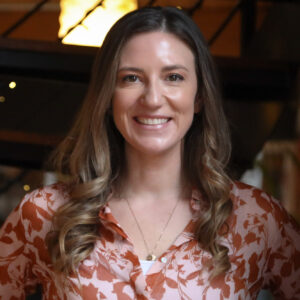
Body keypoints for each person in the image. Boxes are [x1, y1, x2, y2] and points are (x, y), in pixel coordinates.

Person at [0, 6, 299, 300]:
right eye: (131, 78)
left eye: (174, 77)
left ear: (199, 97)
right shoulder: (44, 213)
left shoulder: (255, 218)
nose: (153, 99)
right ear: (108, 97)